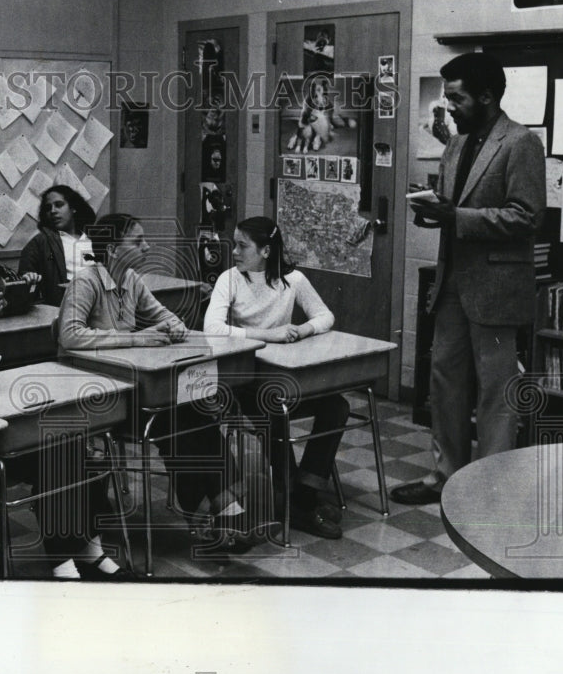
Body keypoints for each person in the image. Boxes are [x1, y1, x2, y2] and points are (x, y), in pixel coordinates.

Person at [394, 52, 546, 505]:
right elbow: (454, 205)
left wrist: (456, 215)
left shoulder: (521, 143)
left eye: (456, 98)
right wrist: (436, 213)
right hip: (453, 284)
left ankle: (493, 486)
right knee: (445, 382)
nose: (449, 107)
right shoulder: (457, 143)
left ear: (486, 96)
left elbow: (528, 216)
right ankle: (446, 476)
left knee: (497, 392)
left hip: (497, 289)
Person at [0, 261, 125, 579]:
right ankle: (62, 558)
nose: (3, 304)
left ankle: (86, 548)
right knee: (56, 454)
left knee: (72, 444)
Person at [58, 213, 254, 551]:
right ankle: (211, 516)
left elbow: (160, 314)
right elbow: (70, 335)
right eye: (137, 241)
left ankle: (223, 513)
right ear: (114, 250)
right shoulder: (86, 282)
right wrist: (137, 339)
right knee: (176, 421)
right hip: (102, 400)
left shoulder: (131, 279)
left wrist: (174, 325)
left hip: (134, 391)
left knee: (196, 415)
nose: (147, 247)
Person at [203, 216, 348, 539]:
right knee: (273, 406)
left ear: (267, 251)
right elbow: (211, 328)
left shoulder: (292, 280)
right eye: (235, 245)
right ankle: (292, 491)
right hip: (244, 380)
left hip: (285, 375)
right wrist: (269, 334)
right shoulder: (230, 279)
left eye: (243, 246)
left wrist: (303, 329)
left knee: (336, 406)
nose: (235, 252)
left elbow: (325, 316)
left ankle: (304, 494)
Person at [18, 185, 95, 307]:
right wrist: (28, 278)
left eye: (59, 205)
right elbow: (24, 284)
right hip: (68, 305)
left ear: (73, 208)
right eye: (48, 208)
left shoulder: (93, 238)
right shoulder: (40, 242)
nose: (53, 211)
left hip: (102, 301)